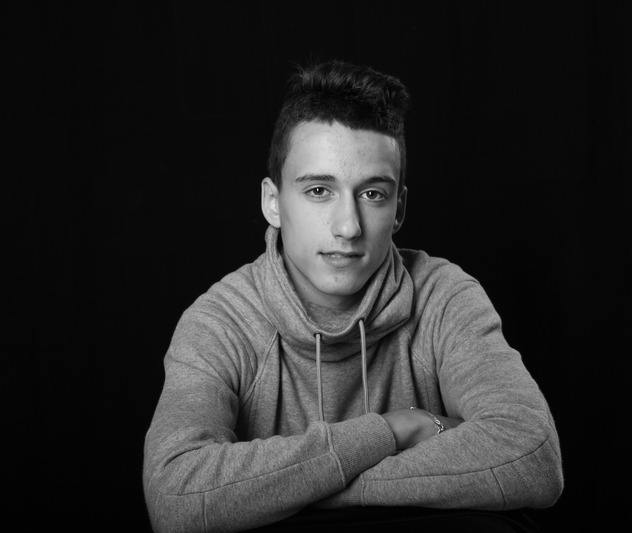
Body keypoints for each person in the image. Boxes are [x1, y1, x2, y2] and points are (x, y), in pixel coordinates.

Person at [142, 60, 563, 533]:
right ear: (272, 203)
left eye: (372, 194)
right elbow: (176, 496)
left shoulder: (443, 296)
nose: (348, 227)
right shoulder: (220, 322)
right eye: (319, 190)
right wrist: (395, 429)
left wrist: (288, 494)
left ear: (399, 209)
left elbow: (533, 456)